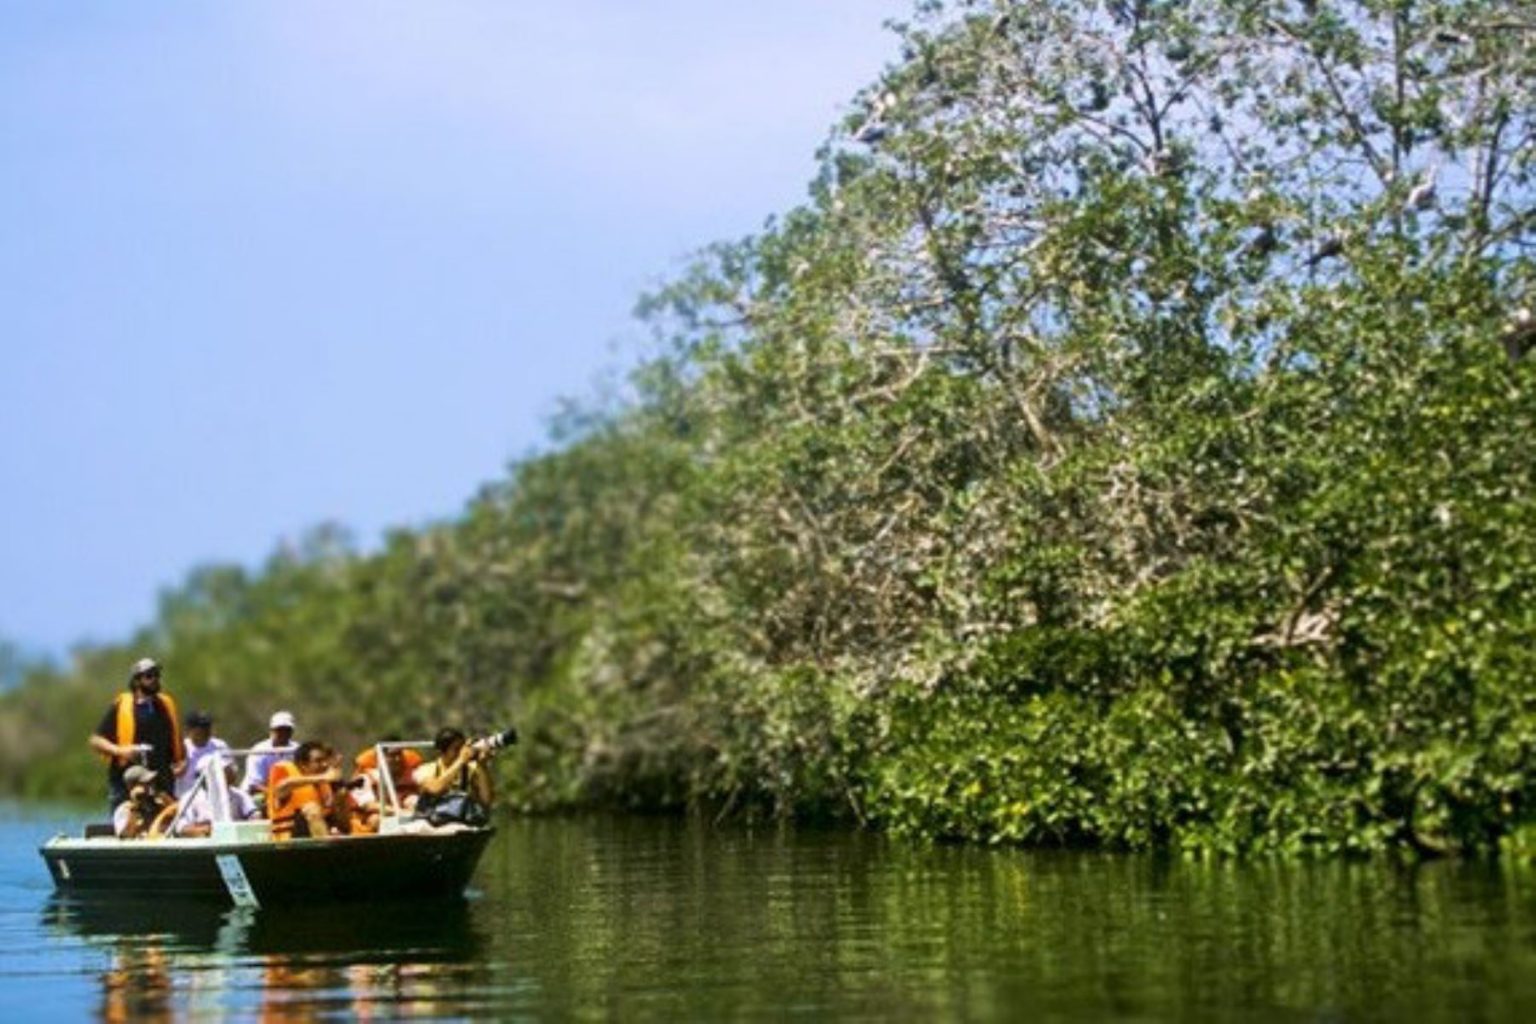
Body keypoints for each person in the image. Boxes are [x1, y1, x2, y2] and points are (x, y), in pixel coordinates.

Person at [88, 657, 185, 814]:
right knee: (127, 825)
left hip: (161, 782)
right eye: (149, 676)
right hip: (126, 781)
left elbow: (177, 741)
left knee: (164, 824)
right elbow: (95, 741)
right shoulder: (122, 705)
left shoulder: (166, 705)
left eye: (156, 675)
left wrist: (182, 762)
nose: (155, 679)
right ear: (137, 680)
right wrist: (121, 751)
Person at [267, 740, 348, 839]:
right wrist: (324, 777)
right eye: (318, 761)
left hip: (318, 834)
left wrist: (340, 801)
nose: (325, 764)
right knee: (311, 808)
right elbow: (282, 788)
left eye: (325, 760)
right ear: (303, 764)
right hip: (287, 843)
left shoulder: (325, 786)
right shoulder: (285, 773)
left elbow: (343, 825)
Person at [350, 737, 424, 833]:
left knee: (413, 801)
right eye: (392, 756)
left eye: (399, 754)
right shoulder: (365, 778)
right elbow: (368, 805)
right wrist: (399, 812)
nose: (397, 759)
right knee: (375, 820)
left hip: (407, 816)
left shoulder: (412, 774)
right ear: (381, 757)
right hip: (379, 816)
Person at [412, 727, 493, 814]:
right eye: (456, 749)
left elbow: (486, 800)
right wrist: (460, 761)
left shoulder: (470, 770)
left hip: (461, 820)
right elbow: (435, 788)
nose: (461, 753)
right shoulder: (425, 770)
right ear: (441, 752)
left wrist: (482, 766)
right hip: (432, 820)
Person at [240, 710, 298, 810]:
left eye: (287, 730)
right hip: (257, 795)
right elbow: (254, 786)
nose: (283, 733)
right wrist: (277, 794)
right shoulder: (259, 751)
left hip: (287, 793)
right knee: (260, 800)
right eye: (279, 729)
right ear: (271, 731)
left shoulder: (297, 749)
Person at [175, 709, 231, 799]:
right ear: (189, 729)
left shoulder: (220, 745)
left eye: (208, 726)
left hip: (214, 798)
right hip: (185, 798)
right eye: (202, 727)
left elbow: (230, 774)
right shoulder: (181, 747)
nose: (206, 731)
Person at [112, 764, 176, 838]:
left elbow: (180, 815)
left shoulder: (158, 803)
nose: (150, 786)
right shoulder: (124, 809)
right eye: (145, 783)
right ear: (132, 787)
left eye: (151, 782)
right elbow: (125, 836)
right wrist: (135, 807)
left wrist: (169, 804)